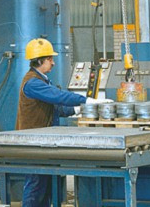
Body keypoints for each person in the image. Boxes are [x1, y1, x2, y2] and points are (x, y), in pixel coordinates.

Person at [15, 37, 102, 207]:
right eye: (50, 59)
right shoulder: (32, 83)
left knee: (45, 187)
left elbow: (55, 108)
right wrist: (87, 100)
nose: (53, 63)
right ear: (39, 60)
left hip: (43, 141)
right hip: (32, 143)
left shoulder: (42, 80)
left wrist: (77, 109)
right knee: (35, 185)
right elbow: (58, 96)